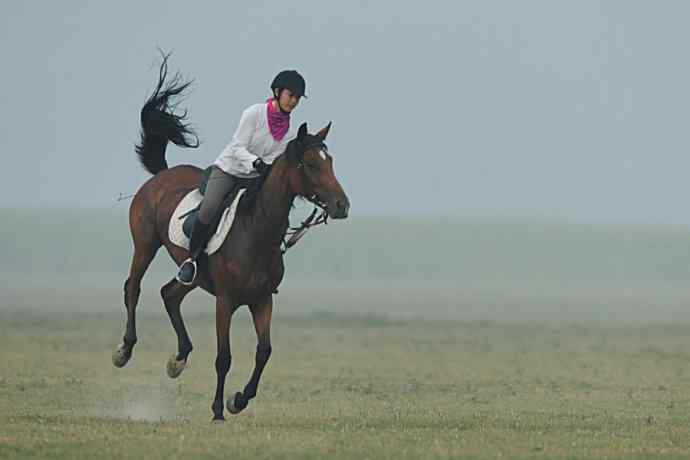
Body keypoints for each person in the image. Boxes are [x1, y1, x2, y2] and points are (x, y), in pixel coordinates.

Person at [176, 70, 306, 285]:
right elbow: (237, 147)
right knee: (209, 208)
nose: (293, 101)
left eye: (297, 98)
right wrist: (255, 162)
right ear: (277, 92)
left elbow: (275, 161)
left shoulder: (290, 134)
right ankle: (191, 261)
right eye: (290, 95)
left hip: (254, 179)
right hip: (229, 171)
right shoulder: (254, 114)